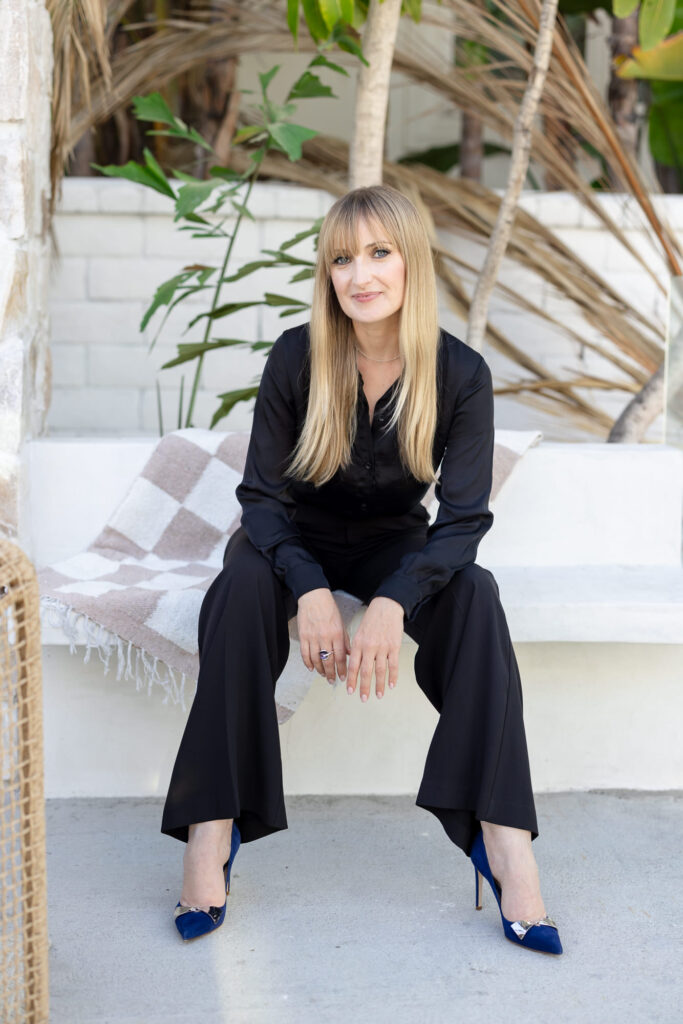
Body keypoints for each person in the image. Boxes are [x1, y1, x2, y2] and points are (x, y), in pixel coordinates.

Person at [160, 184, 563, 954]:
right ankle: (210, 833)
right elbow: (261, 499)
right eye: (342, 258)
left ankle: (504, 839)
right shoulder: (296, 356)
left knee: (475, 593)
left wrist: (392, 602)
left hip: (391, 542)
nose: (359, 274)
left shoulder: (460, 374)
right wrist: (308, 586)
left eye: (378, 253)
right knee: (241, 586)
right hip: (289, 536)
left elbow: (463, 521)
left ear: (411, 262)